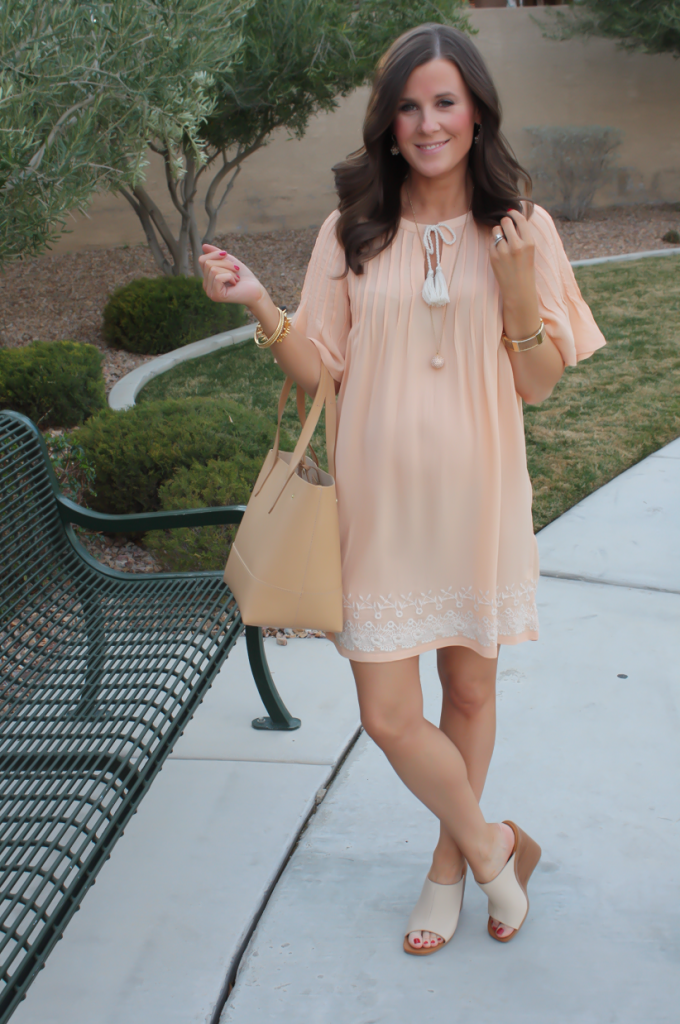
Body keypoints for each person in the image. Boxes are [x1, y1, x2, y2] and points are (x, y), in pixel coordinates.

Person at [199, 24, 605, 955]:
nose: (428, 123)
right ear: (388, 123)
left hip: (480, 497)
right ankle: (497, 846)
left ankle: (449, 871)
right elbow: (317, 370)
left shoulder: (522, 230)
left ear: (477, 111)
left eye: (446, 102)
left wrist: (511, 287)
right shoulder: (351, 231)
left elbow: (539, 384)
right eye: (410, 105)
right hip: (377, 507)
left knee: (467, 690)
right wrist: (264, 305)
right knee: (387, 713)